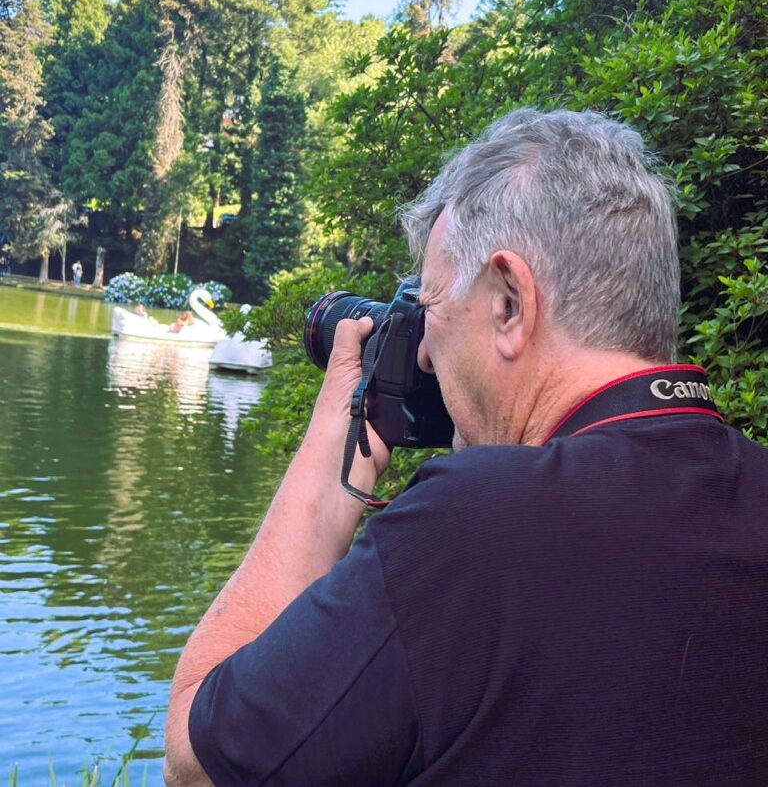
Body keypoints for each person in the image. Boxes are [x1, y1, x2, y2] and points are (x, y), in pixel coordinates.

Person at [164, 109, 768, 786]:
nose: (422, 350)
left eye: (432, 309)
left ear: (509, 304)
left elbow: (196, 761)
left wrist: (339, 436)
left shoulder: (481, 523)